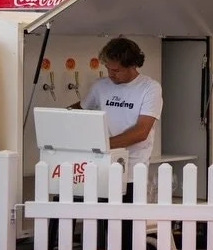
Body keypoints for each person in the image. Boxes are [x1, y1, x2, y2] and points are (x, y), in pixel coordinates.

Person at [70, 37, 163, 178]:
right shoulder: (100, 85)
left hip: (132, 170)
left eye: (116, 70)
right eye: (108, 68)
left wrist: (101, 145)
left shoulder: (150, 88)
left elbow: (141, 132)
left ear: (132, 65)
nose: (110, 74)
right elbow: (79, 109)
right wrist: (57, 116)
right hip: (100, 167)